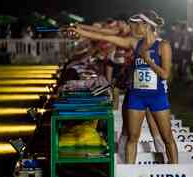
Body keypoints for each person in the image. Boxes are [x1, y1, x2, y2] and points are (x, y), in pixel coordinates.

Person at [68, 10, 178, 164]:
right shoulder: (134, 43)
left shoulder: (163, 46)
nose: (133, 27)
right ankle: (130, 175)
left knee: (167, 138)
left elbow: (166, 75)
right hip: (136, 96)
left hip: (157, 96)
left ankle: (175, 172)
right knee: (132, 138)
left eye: (137, 24)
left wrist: (148, 61)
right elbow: (105, 37)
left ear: (146, 25)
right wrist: (80, 31)